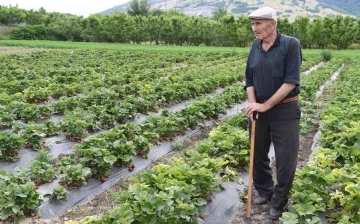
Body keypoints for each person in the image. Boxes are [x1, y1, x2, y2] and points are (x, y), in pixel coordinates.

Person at [243, 7, 302, 220]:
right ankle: (265, 191)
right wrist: (253, 105)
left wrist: (265, 105)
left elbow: (291, 81)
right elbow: (249, 80)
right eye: (253, 23)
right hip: (259, 108)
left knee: (286, 159)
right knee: (258, 154)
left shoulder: (290, 45)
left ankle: (279, 200)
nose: (254, 28)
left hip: (285, 110)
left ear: (273, 24)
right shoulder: (255, 46)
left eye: (259, 23)